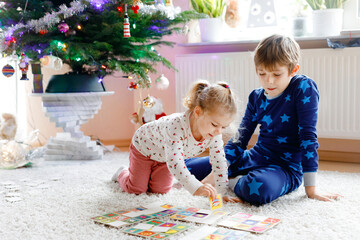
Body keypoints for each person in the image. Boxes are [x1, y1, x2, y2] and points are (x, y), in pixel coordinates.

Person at [186, 34, 342, 206]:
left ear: (293, 70)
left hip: (285, 168)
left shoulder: (303, 88)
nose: (269, 81)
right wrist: (217, 171)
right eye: (262, 73)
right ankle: (230, 175)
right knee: (189, 168)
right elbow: (239, 139)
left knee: (256, 188)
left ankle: (233, 181)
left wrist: (311, 189)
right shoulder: (256, 97)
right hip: (254, 157)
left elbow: (308, 136)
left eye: (276, 74)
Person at [112, 80, 240, 202]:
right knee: (137, 189)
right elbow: (175, 163)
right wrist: (195, 187)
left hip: (165, 158)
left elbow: (219, 162)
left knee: (160, 191)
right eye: (214, 124)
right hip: (144, 148)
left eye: (224, 127)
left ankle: (148, 175)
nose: (219, 131)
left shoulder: (214, 134)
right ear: (198, 112)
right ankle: (122, 172)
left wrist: (221, 192)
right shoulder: (176, 126)